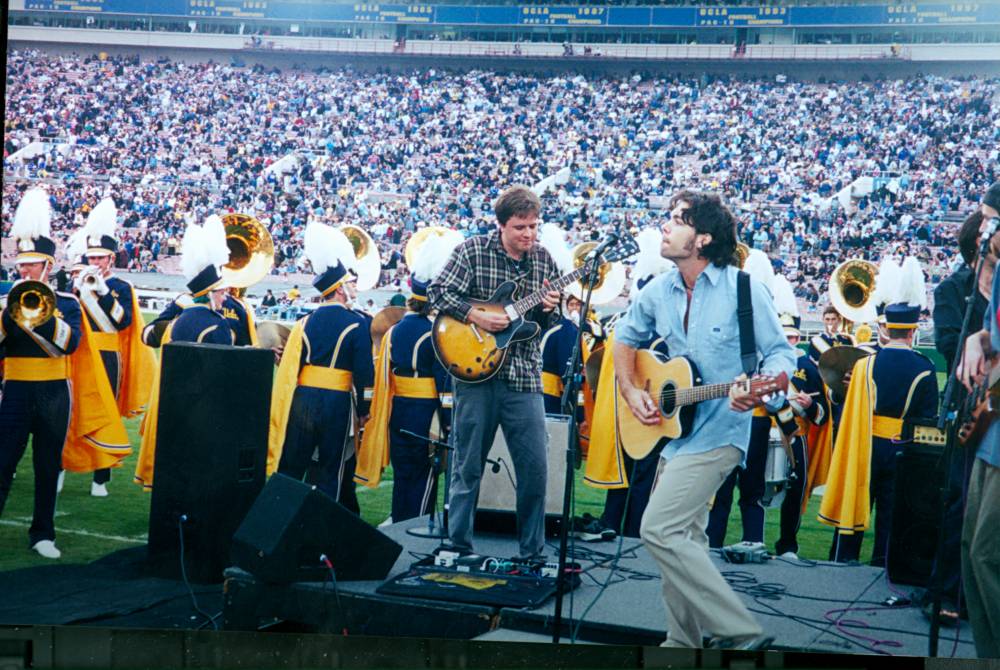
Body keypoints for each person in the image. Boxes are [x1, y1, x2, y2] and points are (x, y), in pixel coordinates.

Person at [613, 189, 796, 649]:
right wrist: (632, 390)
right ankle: (682, 641)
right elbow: (624, 338)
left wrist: (758, 391)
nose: (666, 226)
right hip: (675, 436)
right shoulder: (659, 288)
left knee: (657, 528)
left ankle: (738, 630)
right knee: (686, 540)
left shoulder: (743, 288)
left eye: (677, 220)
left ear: (702, 239)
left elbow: (780, 355)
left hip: (721, 434)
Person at [427, 185, 561, 560]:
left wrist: (551, 307)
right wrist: (475, 315)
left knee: (535, 470)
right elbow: (437, 294)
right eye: (520, 227)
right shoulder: (472, 252)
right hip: (475, 378)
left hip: (524, 378)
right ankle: (458, 546)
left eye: (534, 226)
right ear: (501, 224)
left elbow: (548, 321)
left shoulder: (545, 261)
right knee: (467, 466)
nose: (529, 234)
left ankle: (533, 552)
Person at [821, 257, 939, 565]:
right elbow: (927, 420)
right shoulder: (925, 369)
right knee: (891, 516)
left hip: (864, 444)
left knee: (853, 504)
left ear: (887, 328)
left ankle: (839, 564)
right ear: (913, 331)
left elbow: (845, 406)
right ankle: (881, 568)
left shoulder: (864, 365)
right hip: (901, 449)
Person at [356, 231, 461, 522]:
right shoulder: (436, 333)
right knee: (424, 477)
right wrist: (450, 422)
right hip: (426, 414)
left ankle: (400, 524)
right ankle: (413, 531)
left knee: (404, 476)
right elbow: (445, 385)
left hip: (398, 411)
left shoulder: (395, 329)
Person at [269, 222, 373, 512]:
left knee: (291, 468)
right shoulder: (357, 322)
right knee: (332, 471)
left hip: (302, 400)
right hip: (336, 403)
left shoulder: (304, 322)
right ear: (339, 290)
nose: (354, 287)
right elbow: (366, 374)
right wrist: (365, 410)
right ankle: (323, 540)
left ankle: (275, 528)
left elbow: (293, 365)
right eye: (350, 283)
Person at [134, 215, 235, 489]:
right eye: (221, 290)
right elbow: (148, 336)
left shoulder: (185, 318)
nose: (226, 295)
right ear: (211, 291)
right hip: (202, 402)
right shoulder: (207, 318)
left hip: (175, 398)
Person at [925, 210, 989, 624]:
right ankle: (948, 591)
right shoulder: (954, 289)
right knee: (959, 500)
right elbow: (950, 345)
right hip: (972, 408)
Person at [68, 197, 155, 497]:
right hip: (79, 354)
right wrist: (76, 291)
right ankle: (61, 467)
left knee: (106, 413)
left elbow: (122, 322)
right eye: (91, 258)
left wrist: (103, 293)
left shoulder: (121, 288)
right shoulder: (76, 283)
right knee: (70, 411)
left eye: (100, 258)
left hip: (108, 356)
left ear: (111, 259)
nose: (94, 264)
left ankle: (100, 477)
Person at [956, 180, 1000, 658]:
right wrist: (978, 342)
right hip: (992, 433)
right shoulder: (999, 272)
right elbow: (996, 336)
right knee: (971, 552)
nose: (985, 227)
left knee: (990, 554)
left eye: (993, 218)